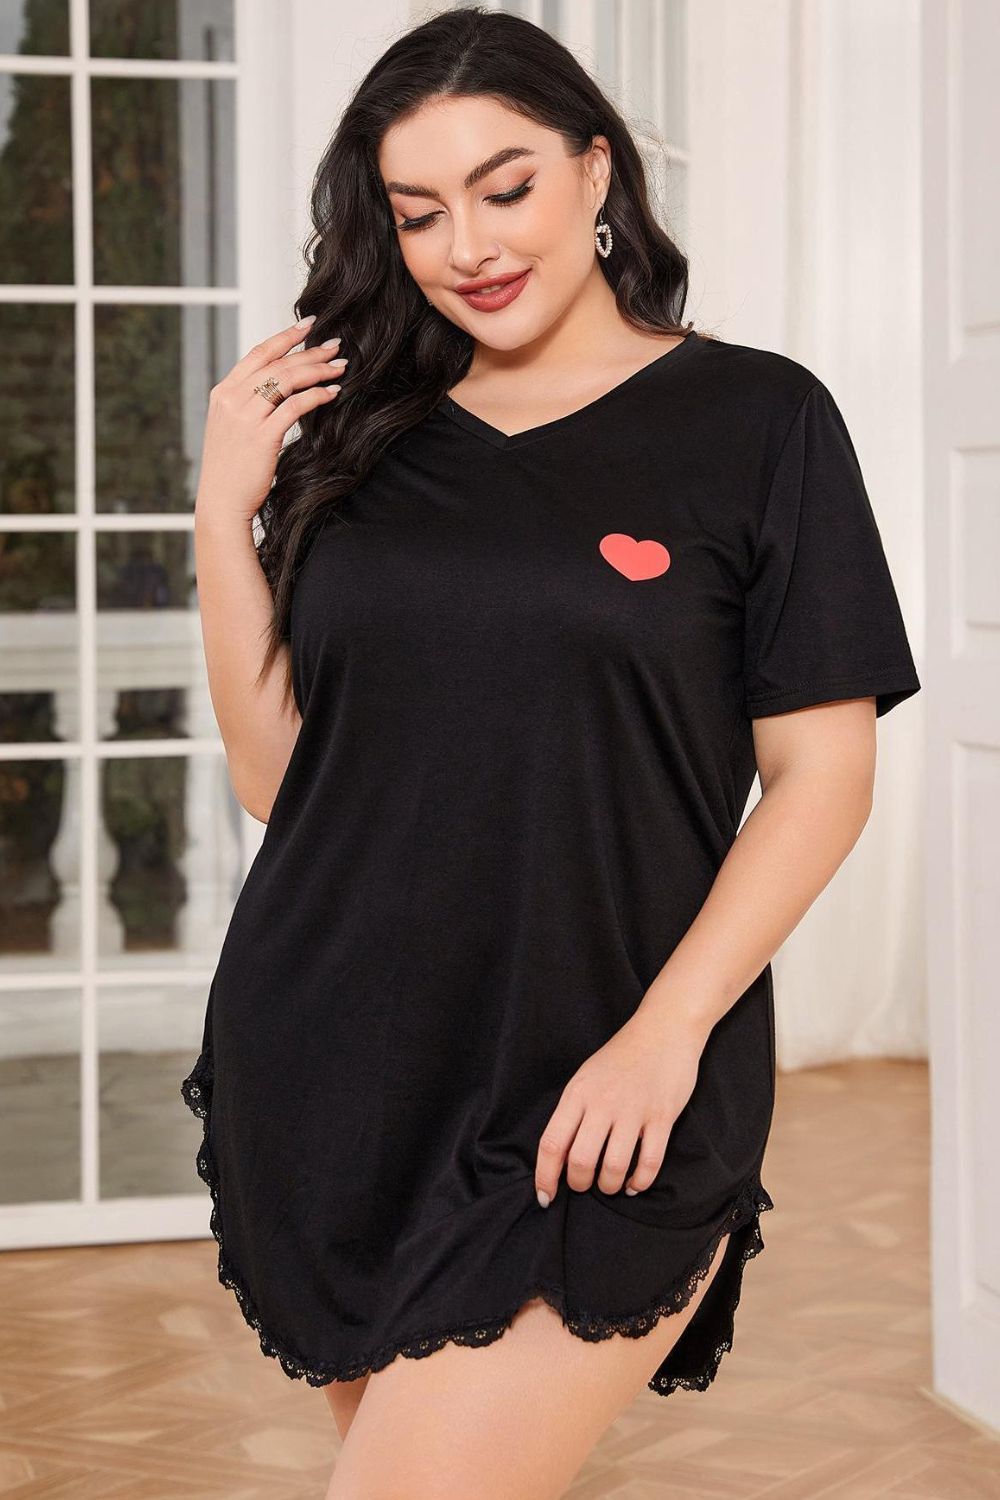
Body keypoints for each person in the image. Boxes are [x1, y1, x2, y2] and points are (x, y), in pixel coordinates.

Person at [181, 7, 922, 1496]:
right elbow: (282, 785)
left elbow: (823, 778)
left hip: (610, 1076)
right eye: (418, 213)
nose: (467, 246)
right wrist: (220, 511)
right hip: (340, 1064)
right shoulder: (365, 440)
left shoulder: (760, 419)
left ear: (597, 169)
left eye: (505, 187)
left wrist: (665, 1034)